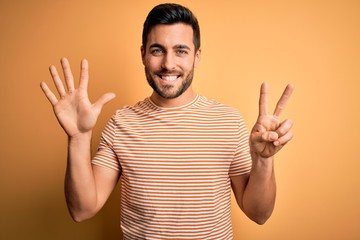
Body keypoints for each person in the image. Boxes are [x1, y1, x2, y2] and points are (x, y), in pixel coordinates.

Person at [40, 3, 294, 239]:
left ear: (196, 56)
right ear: (143, 55)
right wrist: (79, 138)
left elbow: (258, 214)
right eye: (157, 50)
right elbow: (81, 210)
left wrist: (263, 161)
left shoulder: (229, 121)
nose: (168, 64)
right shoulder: (121, 123)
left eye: (180, 51)